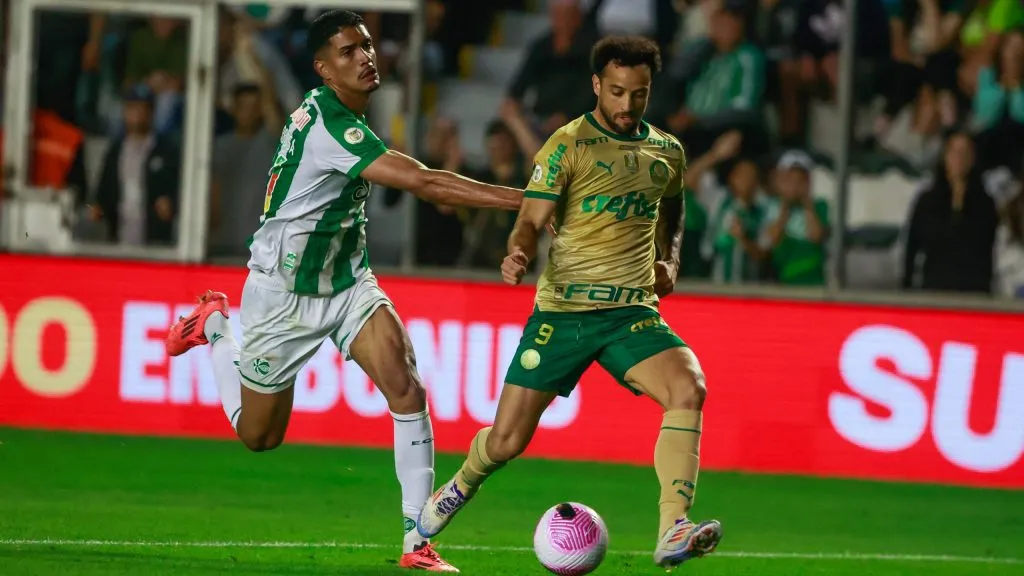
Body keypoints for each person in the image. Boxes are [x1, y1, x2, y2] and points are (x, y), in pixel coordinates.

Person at [164, 10, 528, 573]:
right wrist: (526, 200)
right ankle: (216, 327)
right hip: (282, 294)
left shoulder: (344, 110)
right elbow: (427, 183)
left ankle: (416, 543)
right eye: (347, 51)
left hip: (348, 279)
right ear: (323, 69)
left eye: (366, 45)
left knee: (406, 387)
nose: (365, 57)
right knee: (259, 437)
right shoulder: (332, 124)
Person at [417, 35, 723, 570]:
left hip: (631, 313)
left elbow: (671, 215)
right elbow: (530, 221)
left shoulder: (667, 152)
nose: (628, 105)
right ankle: (463, 482)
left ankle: (673, 526)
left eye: (640, 94)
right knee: (507, 442)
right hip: (562, 315)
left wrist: (670, 260)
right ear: (597, 86)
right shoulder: (567, 144)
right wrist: (516, 254)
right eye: (619, 91)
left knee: (688, 386)